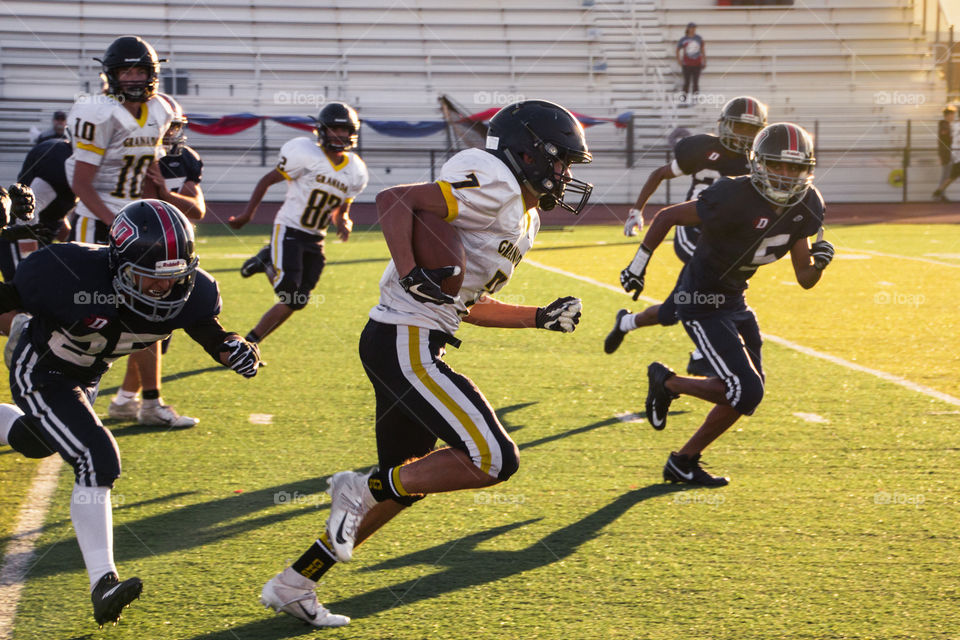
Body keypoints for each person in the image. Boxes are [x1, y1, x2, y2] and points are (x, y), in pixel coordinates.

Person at [258, 99, 590, 628]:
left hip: (411, 338)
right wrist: (412, 270)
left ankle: (296, 582)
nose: (565, 175)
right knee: (492, 458)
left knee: (405, 484)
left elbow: (469, 305)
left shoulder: (521, 214)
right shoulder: (496, 182)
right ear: (527, 153)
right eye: (560, 162)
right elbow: (393, 201)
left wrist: (539, 317)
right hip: (403, 338)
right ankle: (355, 490)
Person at [0, 199, 261, 628]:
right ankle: (103, 582)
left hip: (87, 376)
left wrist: (231, 347)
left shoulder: (192, 292)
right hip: (43, 369)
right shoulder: (66, 272)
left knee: (38, 440)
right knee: (97, 455)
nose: (161, 290)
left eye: (173, 279)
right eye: (147, 279)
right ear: (118, 265)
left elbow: (208, 329)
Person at [617, 122, 834, 486]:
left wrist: (821, 263)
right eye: (778, 165)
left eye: (794, 167)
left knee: (747, 395)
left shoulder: (808, 204)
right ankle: (668, 383)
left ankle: (683, 461)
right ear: (759, 163)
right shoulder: (734, 194)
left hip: (735, 299)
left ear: (807, 169)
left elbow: (805, 279)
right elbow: (669, 215)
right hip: (701, 301)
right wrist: (637, 266)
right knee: (745, 389)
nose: (785, 175)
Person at [63, 35, 195, 428]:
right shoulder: (98, 112)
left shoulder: (161, 109)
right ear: (112, 75)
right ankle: (64, 392)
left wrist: (159, 211)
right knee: (89, 314)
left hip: (136, 222)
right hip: (98, 219)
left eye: (141, 70)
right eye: (126, 71)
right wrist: (117, 223)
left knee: (149, 311)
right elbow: (81, 183)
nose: (134, 78)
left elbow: (153, 171)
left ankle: (142, 402)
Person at [612, 97, 767, 376]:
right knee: (714, 283)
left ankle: (626, 322)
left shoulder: (758, 163)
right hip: (692, 230)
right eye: (738, 127)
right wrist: (637, 210)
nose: (743, 134)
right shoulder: (702, 148)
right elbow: (660, 173)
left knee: (672, 312)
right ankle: (703, 352)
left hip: (723, 237)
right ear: (724, 125)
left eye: (749, 129)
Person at [227, 102, 367, 345]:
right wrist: (247, 215)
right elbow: (266, 181)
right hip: (290, 230)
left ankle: (251, 342)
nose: (340, 135)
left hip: (316, 238)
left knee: (297, 301)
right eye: (334, 129)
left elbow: (341, 209)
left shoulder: (355, 170)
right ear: (322, 130)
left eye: (344, 130)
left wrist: (343, 221)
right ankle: (268, 260)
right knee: (290, 295)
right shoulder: (304, 152)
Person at [108, 92, 208, 421]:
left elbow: (198, 210)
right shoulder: (129, 154)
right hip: (134, 250)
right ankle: (140, 401)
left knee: (155, 328)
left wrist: (167, 193)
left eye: (173, 128)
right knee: (144, 323)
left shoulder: (185, 160)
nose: (169, 135)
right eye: (164, 128)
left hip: (172, 250)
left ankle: (125, 401)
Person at [0, 139, 76, 282]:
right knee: (23, 294)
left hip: (36, 236)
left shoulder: (60, 150)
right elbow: (28, 214)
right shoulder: (60, 160)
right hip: (20, 236)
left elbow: (51, 206)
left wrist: (70, 240)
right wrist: (30, 260)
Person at [677, 23, 706, 103]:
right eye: (691, 28)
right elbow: (678, 49)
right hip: (687, 64)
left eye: (694, 28)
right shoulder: (684, 39)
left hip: (697, 64)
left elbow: (702, 50)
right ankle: (684, 98)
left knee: (695, 82)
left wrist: (704, 60)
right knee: (686, 82)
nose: (693, 29)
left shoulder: (698, 38)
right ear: (688, 29)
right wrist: (679, 60)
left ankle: (695, 98)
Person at [933, 105, 957, 202]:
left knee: (947, 175)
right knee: (946, 175)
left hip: (948, 153)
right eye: (952, 114)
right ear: (948, 115)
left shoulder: (947, 125)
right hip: (946, 154)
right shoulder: (944, 125)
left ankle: (940, 194)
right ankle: (939, 194)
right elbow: (946, 140)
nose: (953, 117)